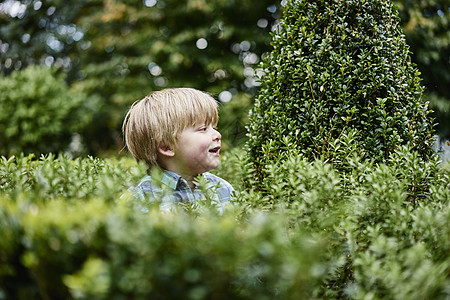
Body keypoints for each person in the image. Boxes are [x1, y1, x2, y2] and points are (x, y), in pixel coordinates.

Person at [122, 88, 234, 213]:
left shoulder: (223, 189)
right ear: (167, 147)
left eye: (214, 127)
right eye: (203, 129)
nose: (217, 134)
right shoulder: (140, 198)